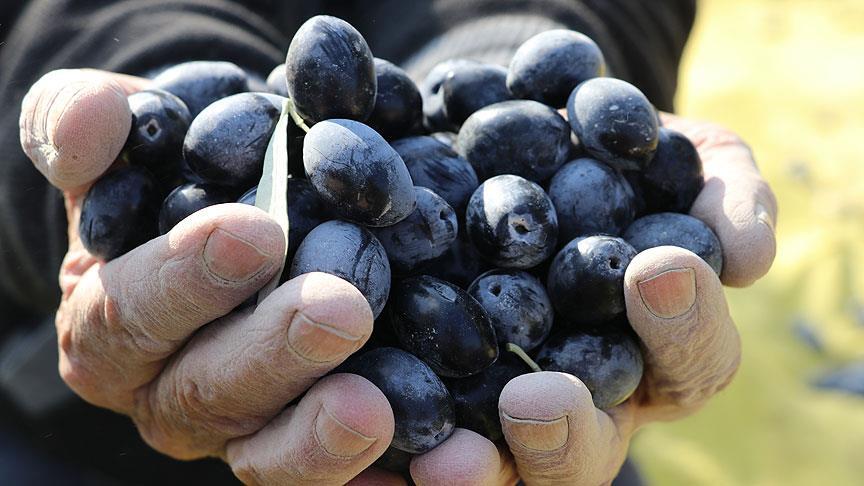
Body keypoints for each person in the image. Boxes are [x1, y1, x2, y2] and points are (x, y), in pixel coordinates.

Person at [0, 0, 778, 484]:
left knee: (525, 427)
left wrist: (505, 66)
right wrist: (122, 135)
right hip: (58, 439)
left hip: (523, 449)